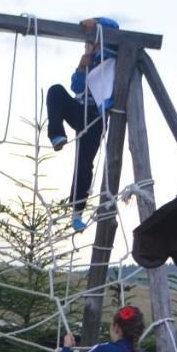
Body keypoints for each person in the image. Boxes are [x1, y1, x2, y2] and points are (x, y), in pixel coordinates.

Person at [46, 17, 121, 234]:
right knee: (56, 91)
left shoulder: (111, 53)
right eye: (87, 44)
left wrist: (96, 21)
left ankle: (77, 211)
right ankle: (56, 134)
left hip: (95, 117)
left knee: (83, 162)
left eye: (92, 43)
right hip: (80, 111)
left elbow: (114, 27)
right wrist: (81, 65)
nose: (90, 47)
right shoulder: (87, 60)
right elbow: (76, 87)